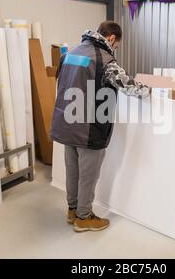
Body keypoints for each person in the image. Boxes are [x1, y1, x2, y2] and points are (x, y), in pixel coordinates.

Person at [51, 21, 150, 232]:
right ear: (112, 38)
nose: (115, 49)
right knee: (88, 176)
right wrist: (150, 91)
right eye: (117, 45)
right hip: (88, 128)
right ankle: (83, 218)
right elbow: (129, 86)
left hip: (67, 124)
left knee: (73, 171)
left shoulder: (70, 54)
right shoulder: (104, 59)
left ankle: (73, 210)